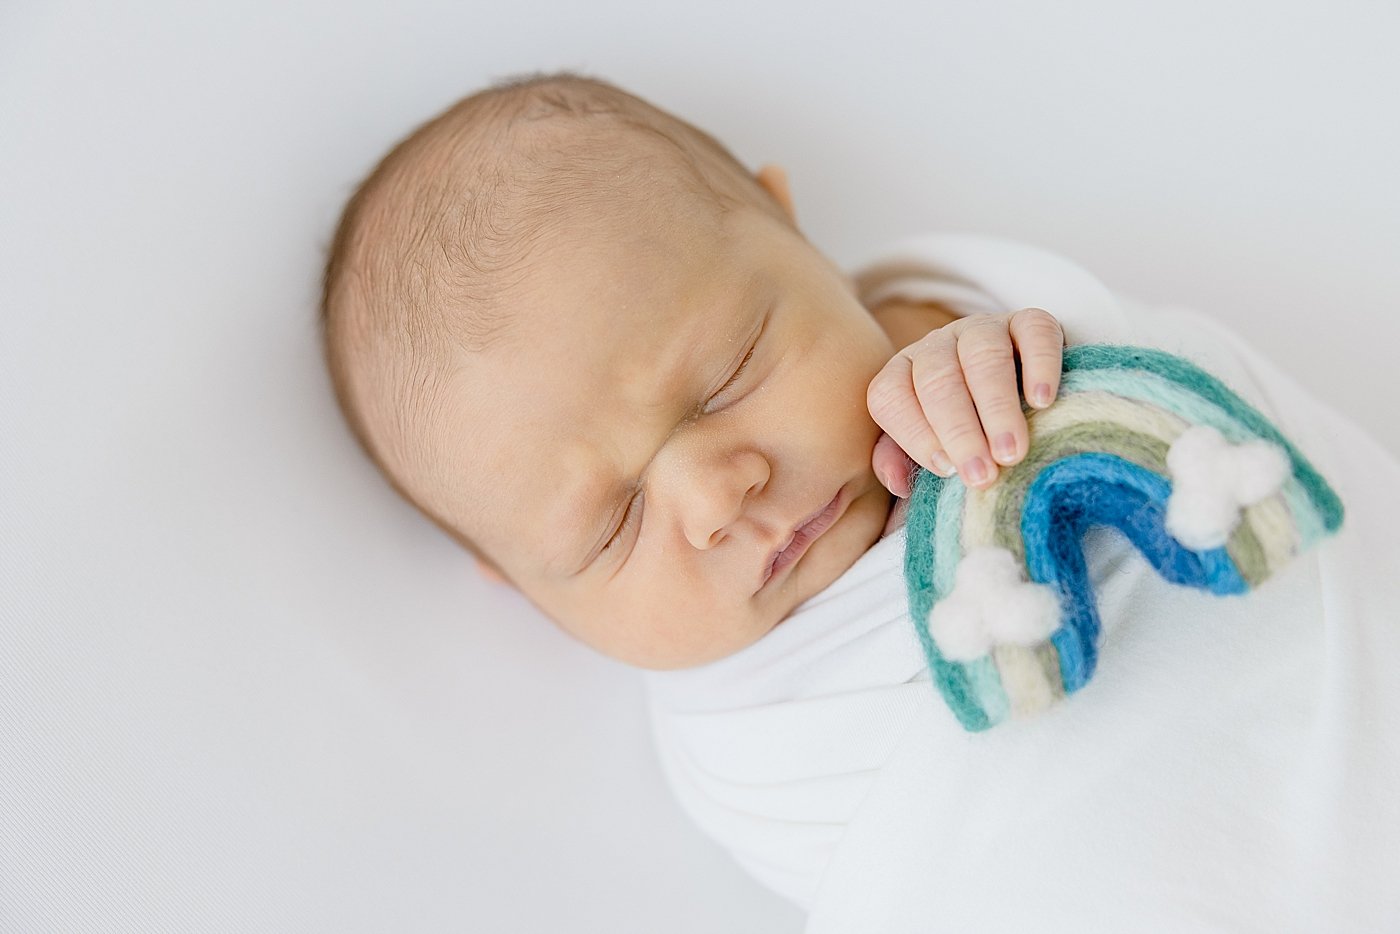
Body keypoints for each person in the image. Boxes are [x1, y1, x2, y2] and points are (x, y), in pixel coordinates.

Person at [319, 68, 1065, 669]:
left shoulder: (956, 344)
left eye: (728, 377)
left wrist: (941, 336)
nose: (717, 500)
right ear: (524, 591)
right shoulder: (739, 749)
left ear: (792, 232)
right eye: (611, 528)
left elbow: (1138, 381)